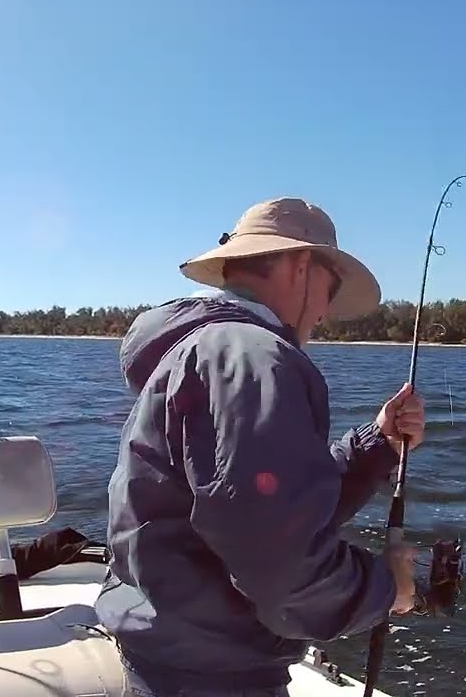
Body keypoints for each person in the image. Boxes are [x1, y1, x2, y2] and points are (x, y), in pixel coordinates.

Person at [95, 197, 427, 696]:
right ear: (301, 266)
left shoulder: (210, 351)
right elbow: (280, 563)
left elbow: (264, 501)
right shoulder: (252, 357)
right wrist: (387, 589)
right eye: (329, 292)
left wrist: (376, 443)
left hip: (171, 658)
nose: (324, 314)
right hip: (211, 677)